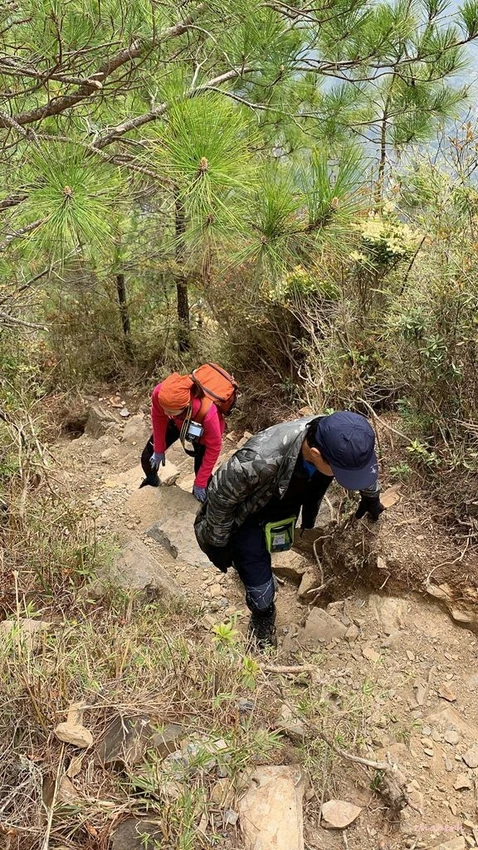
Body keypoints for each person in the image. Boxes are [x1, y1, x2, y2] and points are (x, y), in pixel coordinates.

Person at [195, 411, 384, 648]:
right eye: (340, 472)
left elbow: (361, 464)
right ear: (315, 454)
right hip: (248, 514)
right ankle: (263, 615)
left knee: (268, 546)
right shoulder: (257, 460)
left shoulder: (339, 436)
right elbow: (220, 500)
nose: (340, 477)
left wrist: (371, 496)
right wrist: (218, 541)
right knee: (255, 569)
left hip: (288, 496)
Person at [140, 372, 225, 502]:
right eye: (165, 409)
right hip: (176, 422)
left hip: (201, 431)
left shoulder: (208, 413)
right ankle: (152, 481)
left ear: (185, 406)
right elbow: (159, 417)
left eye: (170, 411)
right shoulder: (160, 393)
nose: (165, 413)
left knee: (203, 478)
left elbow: (214, 447)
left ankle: (211, 508)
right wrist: (158, 449)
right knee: (147, 457)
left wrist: (200, 482)